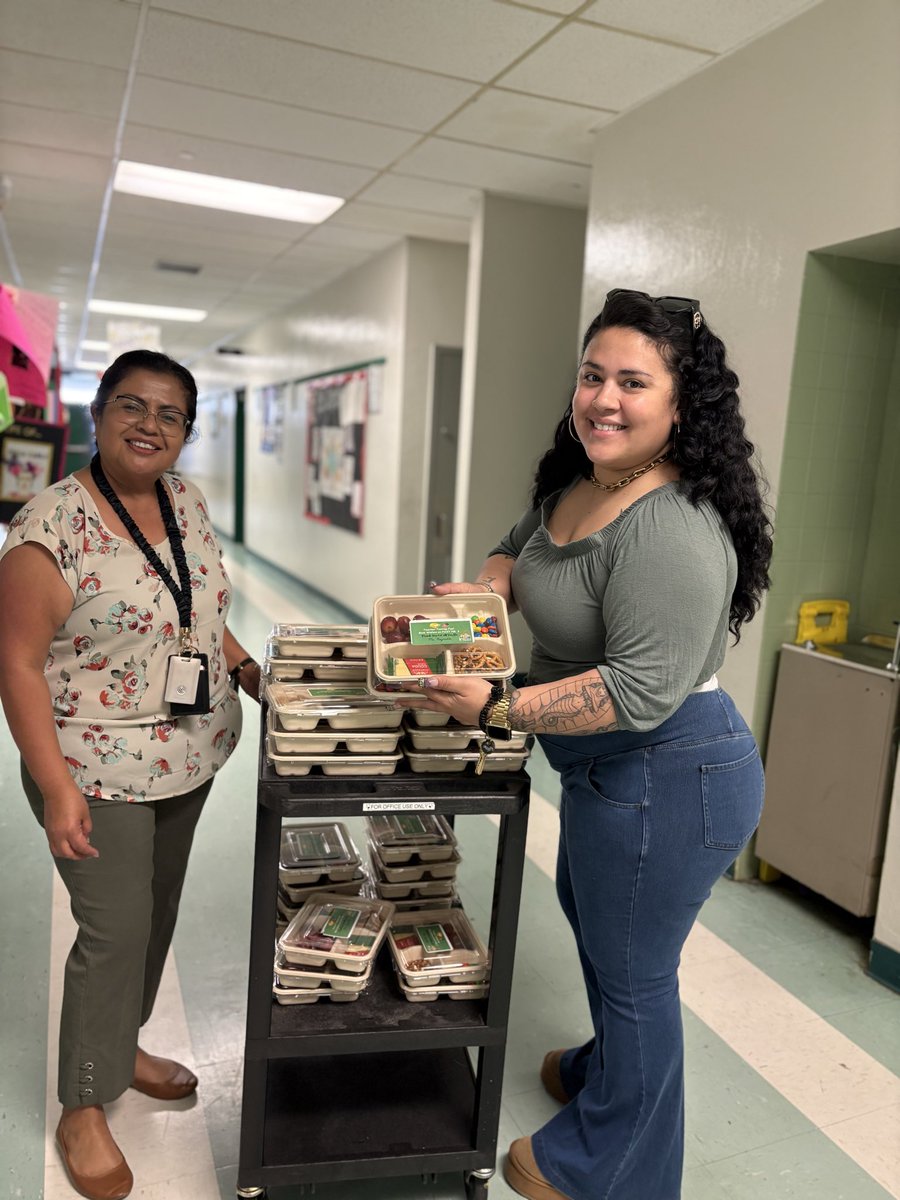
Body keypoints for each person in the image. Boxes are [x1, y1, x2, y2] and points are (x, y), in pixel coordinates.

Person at [404, 289, 772, 1200]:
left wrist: (496, 704)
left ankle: (614, 1169)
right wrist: (487, 588)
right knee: (602, 931)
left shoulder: (673, 528)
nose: (604, 398)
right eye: (593, 375)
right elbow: (518, 545)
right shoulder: (586, 480)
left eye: (633, 383)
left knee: (638, 973)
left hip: (670, 772)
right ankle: (612, 1070)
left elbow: (637, 692)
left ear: (682, 406)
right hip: (613, 772)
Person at [0, 349, 261, 1200]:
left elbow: (198, 608)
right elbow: (17, 664)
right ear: (99, 412)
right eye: (131, 406)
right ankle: (84, 1100)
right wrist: (57, 788)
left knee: (154, 918)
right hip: (93, 768)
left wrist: (247, 669)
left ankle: (126, 1045)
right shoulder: (51, 526)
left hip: (187, 757)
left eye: (170, 414)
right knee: (113, 932)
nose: (150, 425)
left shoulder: (186, 500)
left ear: (185, 432)